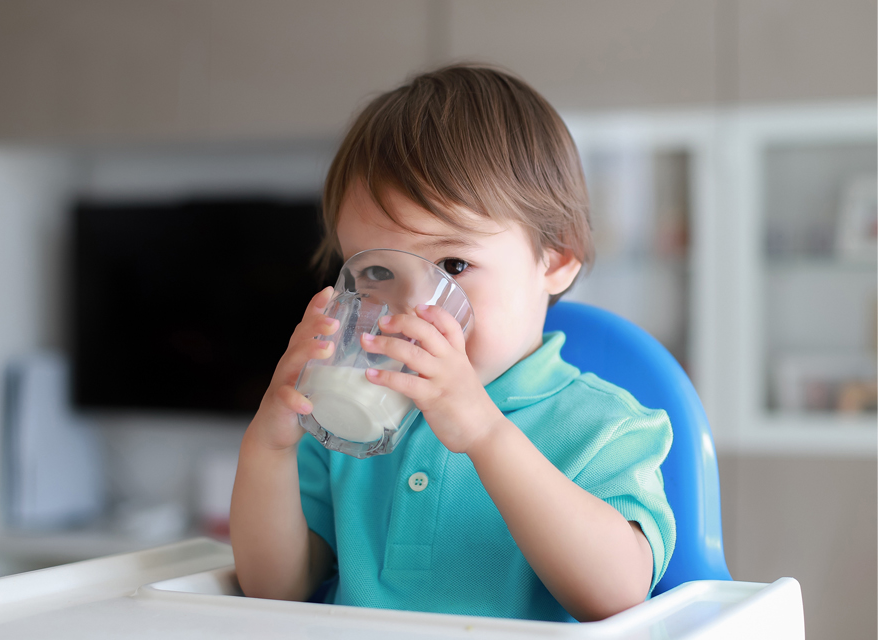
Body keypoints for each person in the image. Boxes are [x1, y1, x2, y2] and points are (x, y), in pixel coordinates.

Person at [226, 64, 672, 623]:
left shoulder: (605, 426)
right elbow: (275, 591)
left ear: (555, 258)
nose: (412, 309)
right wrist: (269, 448)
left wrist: (484, 432)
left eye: (453, 265)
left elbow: (616, 596)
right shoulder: (353, 424)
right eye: (379, 274)